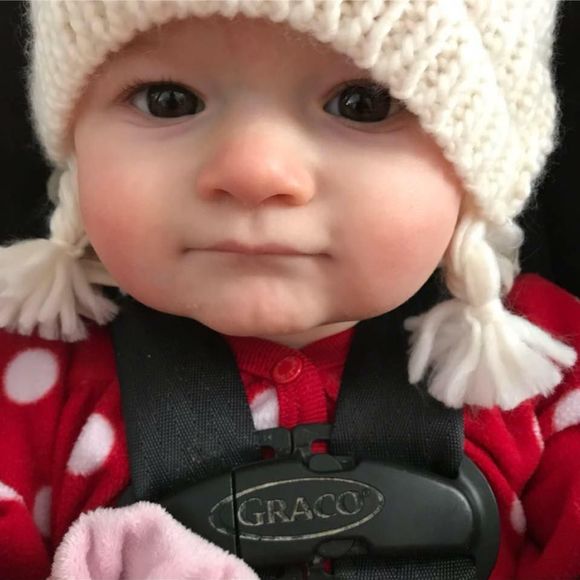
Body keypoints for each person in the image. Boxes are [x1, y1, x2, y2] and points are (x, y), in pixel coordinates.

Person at [0, 1, 579, 578]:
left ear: (476, 168)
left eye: (362, 104)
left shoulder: (550, 371)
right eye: (168, 100)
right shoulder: (27, 390)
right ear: (77, 155)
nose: (254, 171)